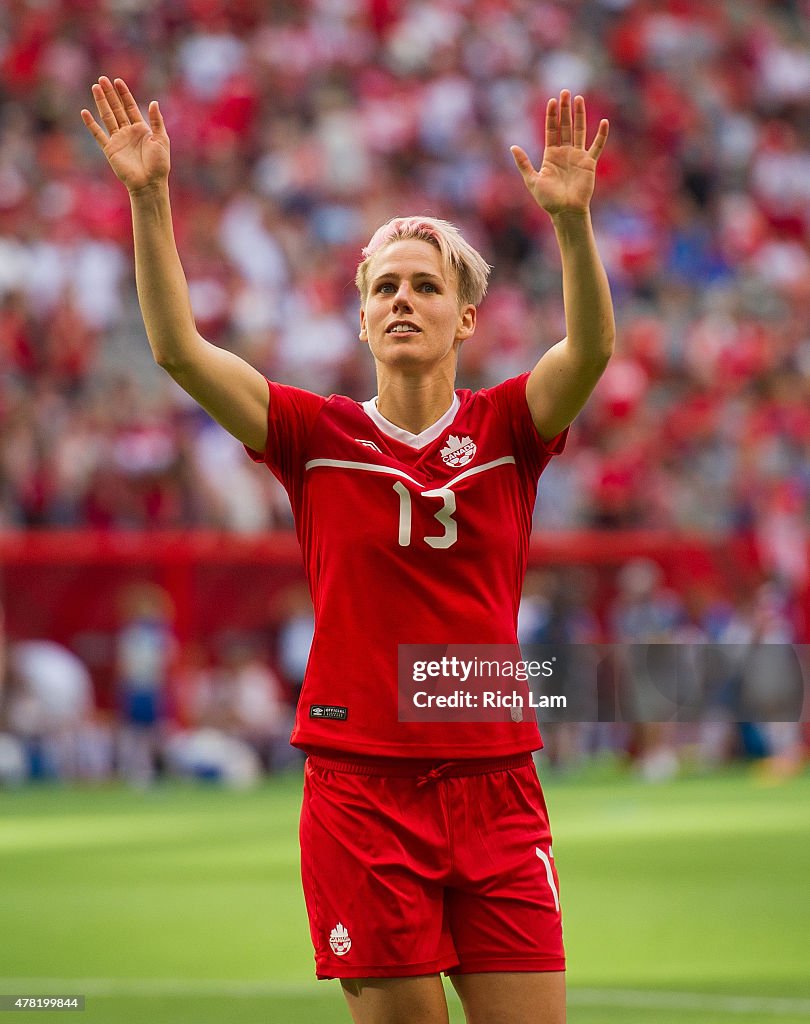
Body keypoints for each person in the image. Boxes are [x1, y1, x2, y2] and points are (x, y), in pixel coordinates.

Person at [82, 76, 613, 1024]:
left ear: (467, 319)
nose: (403, 299)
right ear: (361, 319)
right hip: (362, 786)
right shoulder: (311, 433)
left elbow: (590, 352)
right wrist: (149, 197)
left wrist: (572, 224)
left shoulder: (510, 429)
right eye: (384, 288)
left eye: (425, 286)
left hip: (497, 781)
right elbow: (177, 350)